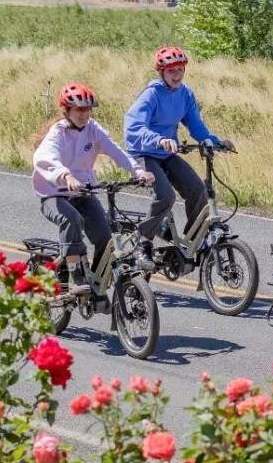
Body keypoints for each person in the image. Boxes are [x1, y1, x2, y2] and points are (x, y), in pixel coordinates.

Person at [33, 83, 155, 296]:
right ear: (67, 110)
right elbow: (45, 158)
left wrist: (138, 172)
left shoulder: (93, 129)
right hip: (54, 193)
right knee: (72, 219)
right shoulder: (58, 133)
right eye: (79, 109)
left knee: (104, 237)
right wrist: (66, 176)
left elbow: (116, 151)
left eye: (88, 109)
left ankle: (98, 279)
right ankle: (75, 275)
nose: (85, 114)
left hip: (83, 193)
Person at [124, 46, 234, 268]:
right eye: (172, 70)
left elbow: (196, 126)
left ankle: (193, 241)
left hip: (166, 153)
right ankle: (143, 245)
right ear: (161, 72)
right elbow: (133, 127)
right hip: (143, 153)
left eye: (181, 69)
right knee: (165, 196)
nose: (177, 74)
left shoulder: (185, 94)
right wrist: (157, 139)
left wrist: (215, 141)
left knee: (197, 188)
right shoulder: (151, 95)